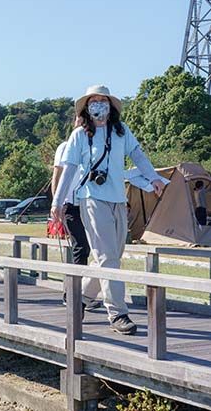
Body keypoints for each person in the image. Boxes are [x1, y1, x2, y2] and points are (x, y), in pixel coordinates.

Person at [51, 85, 165, 335]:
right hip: (92, 200)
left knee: (111, 256)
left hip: (117, 199)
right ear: (86, 107)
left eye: (103, 101)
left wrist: (154, 178)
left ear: (111, 106)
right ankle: (117, 313)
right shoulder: (79, 136)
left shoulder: (121, 132)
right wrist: (57, 202)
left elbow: (138, 156)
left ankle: (80, 298)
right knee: (107, 257)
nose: (99, 105)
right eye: (94, 101)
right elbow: (67, 170)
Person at [52, 120, 98, 308]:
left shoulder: (95, 145)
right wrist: (57, 202)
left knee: (94, 250)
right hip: (71, 205)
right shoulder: (65, 146)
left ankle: (85, 293)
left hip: (91, 203)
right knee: (80, 248)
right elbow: (57, 175)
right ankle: (72, 294)